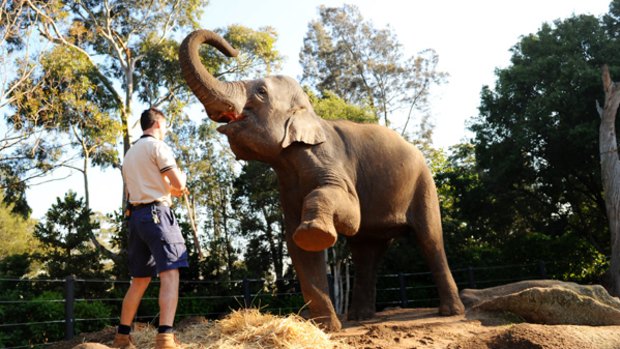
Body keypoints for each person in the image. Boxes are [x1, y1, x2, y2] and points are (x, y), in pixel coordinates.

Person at [112, 108, 189, 349]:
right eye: (165, 127)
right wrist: (182, 182)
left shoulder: (130, 154)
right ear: (157, 124)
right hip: (158, 215)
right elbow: (177, 182)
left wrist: (171, 190)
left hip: (136, 217)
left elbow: (136, 190)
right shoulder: (158, 147)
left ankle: (122, 337)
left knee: (139, 281)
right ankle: (165, 337)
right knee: (170, 274)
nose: (165, 131)